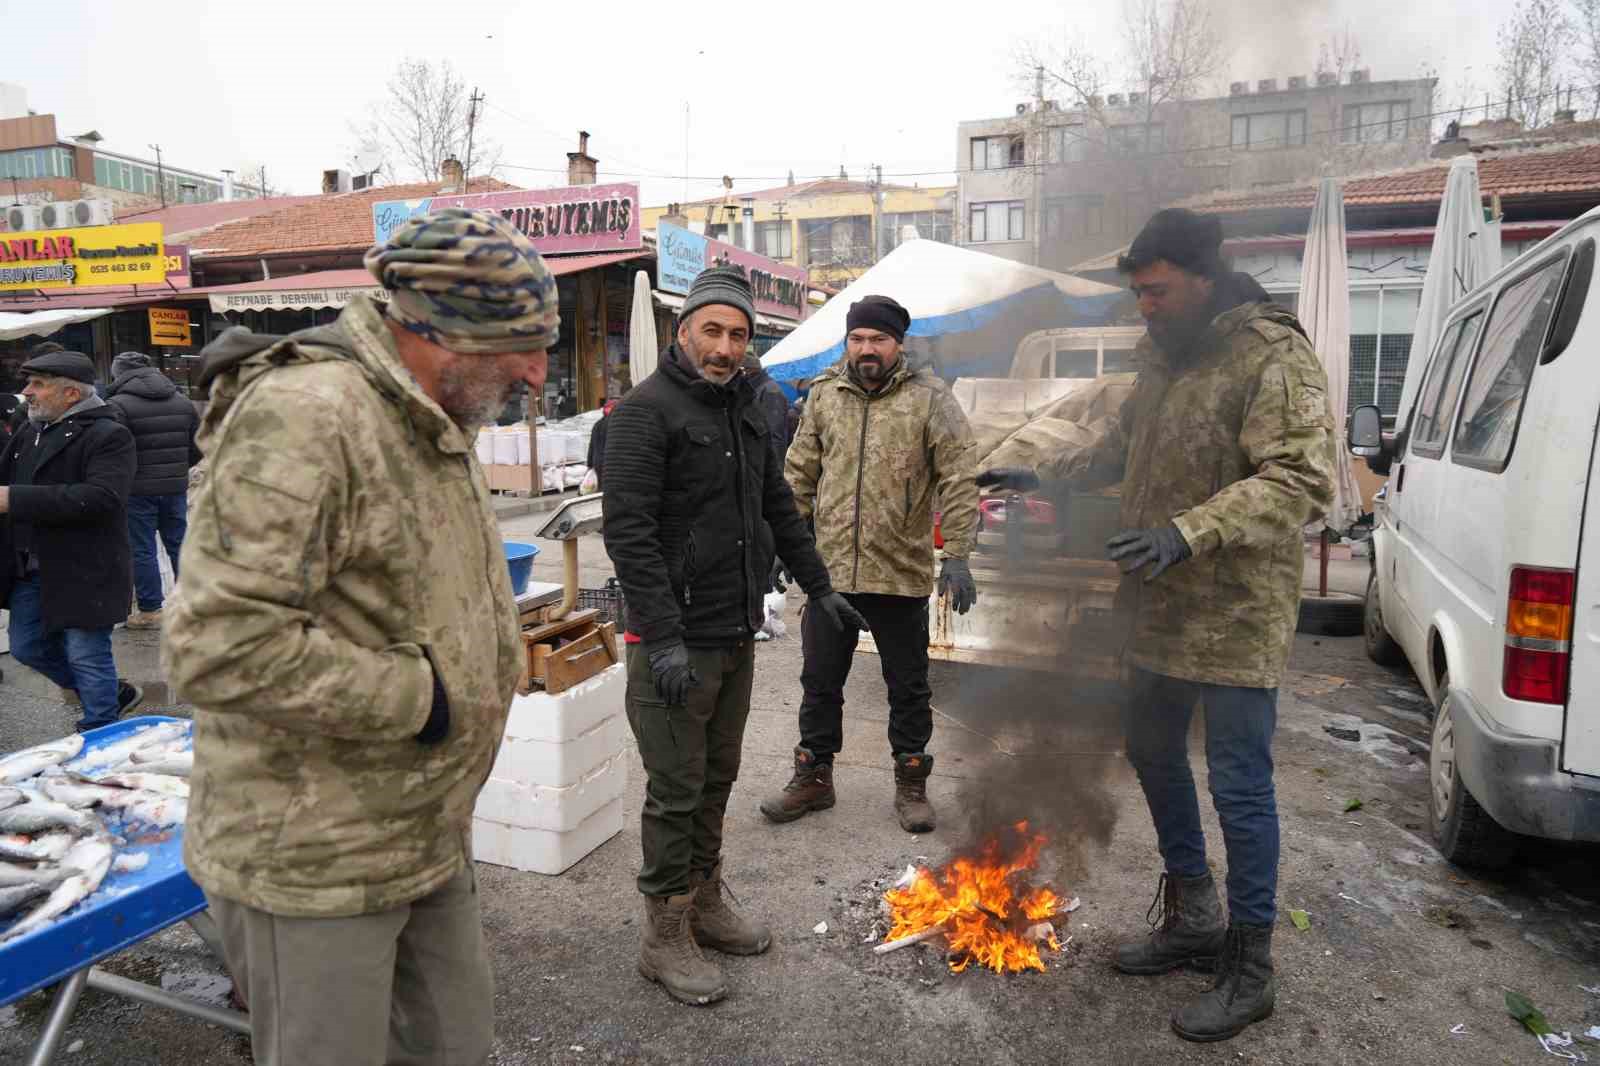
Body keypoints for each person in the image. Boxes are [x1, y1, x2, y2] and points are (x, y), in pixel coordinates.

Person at [165, 208, 555, 1066]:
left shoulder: (427, 415)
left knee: (456, 1046)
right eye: (519, 346)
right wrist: (424, 698)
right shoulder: (309, 416)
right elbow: (217, 644)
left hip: (421, 832)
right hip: (315, 861)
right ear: (436, 333)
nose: (535, 372)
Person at [979, 208, 1334, 1043]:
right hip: (1157, 606)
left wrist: (1187, 532)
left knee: (1240, 784)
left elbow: (1301, 480)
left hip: (1236, 614)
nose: (1143, 303)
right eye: (1137, 290)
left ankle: (1250, 967)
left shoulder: (1271, 355)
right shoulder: (1162, 357)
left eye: (1157, 289)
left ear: (1204, 277)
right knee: (1150, 749)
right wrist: (1044, 470)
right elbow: (1120, 447)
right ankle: (1193, 917)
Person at [601, 265, 865, 1008]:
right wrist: (663, 635)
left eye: (738, 334)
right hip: (673, 644)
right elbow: (628, 534)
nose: (724, 346)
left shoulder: (747, 408)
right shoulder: (644, 413)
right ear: (683, 331)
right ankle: (663, 935)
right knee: (676, 791)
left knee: (715, 781)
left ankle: (705, 903)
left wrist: (819, 586)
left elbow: (777, 505)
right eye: (711, 330)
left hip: (735, 631)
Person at [761, 294, 979, 834]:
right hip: (830, 574)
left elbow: (958, 476)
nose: (866, 349)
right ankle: (814, 779)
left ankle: (911, 784)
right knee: (819, 681)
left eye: (877, 340)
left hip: (900, 572)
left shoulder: (931, 399)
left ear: (897, 344)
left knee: (908, 685)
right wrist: (780, 543)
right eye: (857, 339)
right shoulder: (825, 396)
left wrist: (958, 554)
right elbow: (799, 474)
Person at [0, 350, 142, 732]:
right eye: (28, 383)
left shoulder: (110, 434)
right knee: (26, 647)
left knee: (86, 654)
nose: (27, 392)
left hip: (85, 566)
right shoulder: (30, 431)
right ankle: (110, 694)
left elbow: (102, 498)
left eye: (39, 384)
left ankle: (100, 728)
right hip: (31, 564)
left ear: (71, 395)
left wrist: (13, 498)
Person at [105, 351, 201, 629]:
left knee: (142, 549)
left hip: (136, 489)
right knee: (180, 542)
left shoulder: (117, 404)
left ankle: (150, 610)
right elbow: (195, 448)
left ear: (119, 374)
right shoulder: (182, 402)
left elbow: (115, 452)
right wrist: (174, 469)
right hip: (174, 486)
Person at [741, 352, 791, 454]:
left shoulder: (770, 391)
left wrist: (770, 467)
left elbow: (775, 434)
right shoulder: (753, 388)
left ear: (748, 370)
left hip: (766, 459)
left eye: (740, 371)